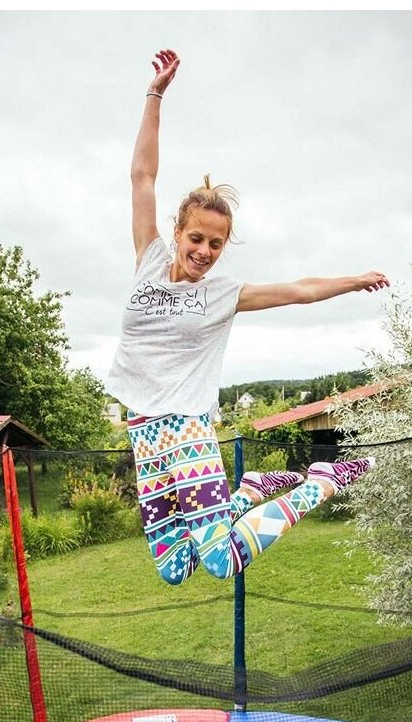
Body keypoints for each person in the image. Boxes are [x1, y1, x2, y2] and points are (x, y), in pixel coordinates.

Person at [107, 49, 390, 586]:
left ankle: (325, 479)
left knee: (220, 560)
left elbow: (299, 291)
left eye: (216, 244)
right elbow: (142, 177)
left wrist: (354, 280)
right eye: (196, 238)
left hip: (187, 427)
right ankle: (253, 489)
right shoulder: (147, 260)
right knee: (175, 568)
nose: (204, 252)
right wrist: (155, 94)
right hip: (143, 429)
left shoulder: (224, 294)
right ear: (178, 232)